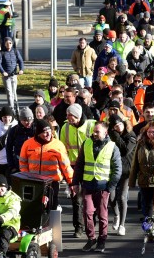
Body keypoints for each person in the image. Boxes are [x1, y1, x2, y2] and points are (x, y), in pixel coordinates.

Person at [72, 121, 122, 253]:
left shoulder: (112, 147)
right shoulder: (87, 143)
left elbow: (117, 169)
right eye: (94, 131)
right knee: (87, 212)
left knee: (102, 215)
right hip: (88, 185)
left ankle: (102, 240)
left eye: (97, 132)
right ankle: (91, 238)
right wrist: (75, 182)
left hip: (103, 186)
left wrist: (110, 187)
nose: (94, 133)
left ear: (105, 132)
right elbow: (79, 164)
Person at [59, 103, 97, 238]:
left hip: (90, 166)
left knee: (91, 197)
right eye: (68, 116)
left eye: (72, 116)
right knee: (76, 198)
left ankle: (92, 222)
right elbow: (62, 148)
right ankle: (79, 227)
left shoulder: (91, 125)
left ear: (79, 116)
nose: (69, 119)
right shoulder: (65, 128)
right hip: (74, 167)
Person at [20, 119, 74, 210]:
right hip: (34, 183)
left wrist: (71, 182)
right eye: (45, 132)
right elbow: (23, 163)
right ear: (38, 134)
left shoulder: (58, 145)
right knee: (35, 209)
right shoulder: (28, 144)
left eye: (49, 131)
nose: (48, 134)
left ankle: (51, 224)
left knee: (51, 208)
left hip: (52, 183)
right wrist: (27, 178)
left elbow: (66, 166)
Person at [107, 114, 136, 236]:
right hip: (112, 169)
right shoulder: (111, 136)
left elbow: (125, 150)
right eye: (115, 126)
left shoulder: (131, 136)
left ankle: (122, 225)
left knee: (122, 197)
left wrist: (115, 135)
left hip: (126, 171)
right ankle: (117, 215)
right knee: (111, 197)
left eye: (119, 124)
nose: (118, 127)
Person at [0, 106, 18, 176]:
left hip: (13, 162)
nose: (7, 119)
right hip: (0, 162)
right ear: (1, 117)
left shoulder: (17, 125)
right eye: (4, 117)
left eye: (9, 117)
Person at [0, 37, 24, 110]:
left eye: (10, 43)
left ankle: (17, 107)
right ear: (4, 44)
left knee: (14, 93)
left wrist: (21, 69)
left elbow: (20, 61)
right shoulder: (1, 53)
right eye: (7, 43)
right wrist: (3, 72)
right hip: (6, 76)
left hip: (14, 75)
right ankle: (11, 109)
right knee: (9, 93)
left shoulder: (15, 51)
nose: (8, 45)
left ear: (12, 44)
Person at [6, 107, 35, 175]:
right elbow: (8, 149)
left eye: (30, 120)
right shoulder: (14, 131)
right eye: (25, 120)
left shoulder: (36, 130)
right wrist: (12, 166)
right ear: (20, 120)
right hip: (18, 165)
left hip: (33, 165)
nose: (27, 123)